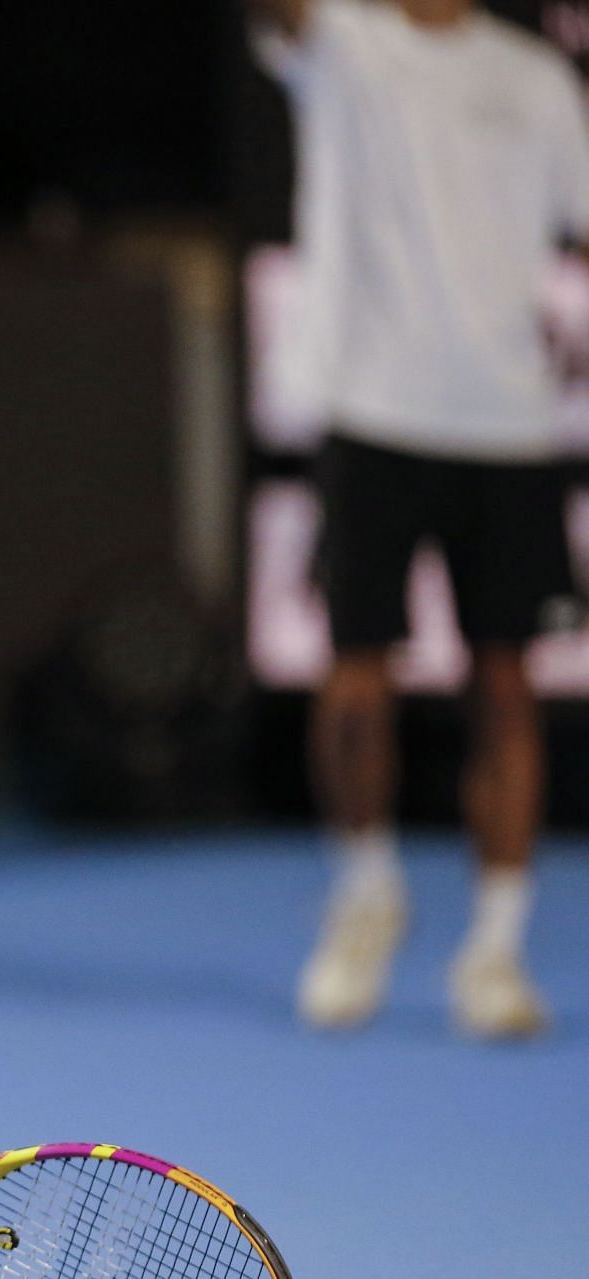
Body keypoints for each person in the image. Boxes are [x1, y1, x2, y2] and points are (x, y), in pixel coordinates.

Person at [251, 0, 589, 1038]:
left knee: (506, 684)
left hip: (510, 426)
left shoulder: (537, 79)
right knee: (355, 678)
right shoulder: (343, 40)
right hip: (371, 414)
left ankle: (493, 950)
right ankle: (365, 892)